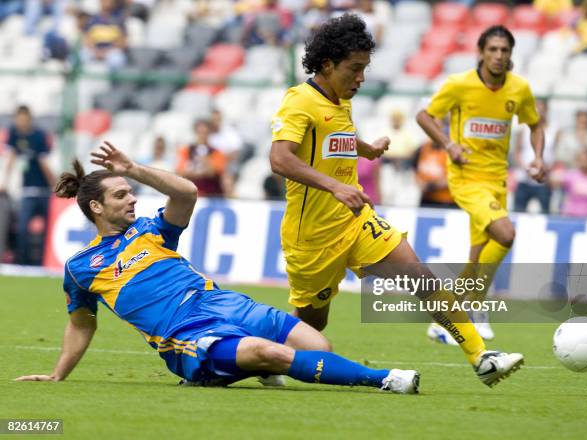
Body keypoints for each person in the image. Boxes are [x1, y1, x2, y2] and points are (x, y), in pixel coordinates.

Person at [14, 141, 420, 394]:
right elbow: (82, 323)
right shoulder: (81, 267)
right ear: (97, 208)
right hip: (185, 334)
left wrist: (133, 170)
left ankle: (249, 366)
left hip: (224, 305)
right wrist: (57, 375)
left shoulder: (152, 231)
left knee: (318, 347)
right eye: (122, 195)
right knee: (273, 353)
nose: (132, 199)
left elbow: (187, 193)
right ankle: (385, 379)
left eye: (131, 192)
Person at [269, 14, 524, 387]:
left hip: (355, 221)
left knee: (420, 276)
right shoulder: (299, 101)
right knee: (313, 322)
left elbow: (333, 134)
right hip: (312, 238)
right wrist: (335, 186)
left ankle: (480, 357)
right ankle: (265, 360)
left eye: (364, 70)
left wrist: (365, 148)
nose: (361, 79)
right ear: (327, 64)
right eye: (354, 70)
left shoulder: (339, 100)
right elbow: (280, 158)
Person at [416, 25, 546, 342]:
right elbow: (424, 116)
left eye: (504, 51)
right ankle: (475, 307)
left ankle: (444, 319)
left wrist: (538, 157)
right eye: (493, 50)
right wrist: (448, 144)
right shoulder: (459, 85)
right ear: (481, 52)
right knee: (505, 233)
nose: (499, 56)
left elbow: (535, 124)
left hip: (497, 181)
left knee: (476, 258)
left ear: (511, 55)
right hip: (465, 177)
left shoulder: (519, 89)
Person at [0, 105, 56, 266]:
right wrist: (4, 182)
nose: (21, 123)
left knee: (47, 229)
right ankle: (22, 262)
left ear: (30, 119)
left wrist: (54, 186)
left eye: (24, 119)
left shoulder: (39, 136)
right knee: (23, 228)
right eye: (19, 119)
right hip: (27, 191)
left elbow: (44, 163)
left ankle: (42, 262)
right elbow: (10, 158)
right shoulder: (14, 133)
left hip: (44, 190)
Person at [512, 99, 557, 214]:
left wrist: (545, 169)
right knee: (518, 211)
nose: (539, 110)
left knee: (545, 212)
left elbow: (556, 154)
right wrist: (526, 168)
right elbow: (516, 153)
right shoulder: (523, 129)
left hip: (544, 178)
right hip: (524, 178)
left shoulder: (554, 129)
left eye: (542, 107)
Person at [552, 149, 587, 217]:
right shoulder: (572, 175)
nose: (582, 162)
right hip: (570, 217)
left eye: (584, 159)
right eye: (580, 160)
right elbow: (553, 181)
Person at [176, 119, 227, 198]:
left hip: (210, 195)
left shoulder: (217, 152)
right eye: (200, 132)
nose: (202, 135)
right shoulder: (186, 150)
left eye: (205, 132)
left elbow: (215, 172)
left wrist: (205, 161)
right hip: (189, 194)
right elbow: (180, 171)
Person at [80, 0, 128, 70]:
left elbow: (122, 42)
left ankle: (113, 80)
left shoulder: (119, 20)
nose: (107, 2)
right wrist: (96, 52)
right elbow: (87, 39)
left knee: (116, 59)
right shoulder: (92, 19)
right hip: (94, 50)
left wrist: (106, 52)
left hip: (111, 52)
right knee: (83, 55)